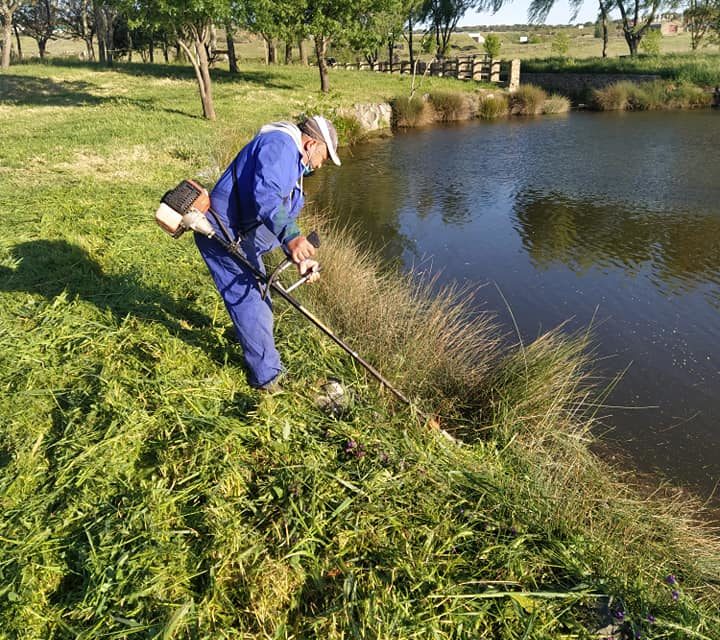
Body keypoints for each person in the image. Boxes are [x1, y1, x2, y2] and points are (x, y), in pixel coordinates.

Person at [194, 115, 341, 391]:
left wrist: (299, 256)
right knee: (250, 301)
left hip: (240, 236)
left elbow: (273, 214)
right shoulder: (280, 145)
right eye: (324, 157)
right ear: (311, 144)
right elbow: (266, 197)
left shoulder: (292, 162)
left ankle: (260, 354)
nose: (321, 166)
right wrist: (293, 237)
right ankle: (267, 379)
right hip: (222, 232)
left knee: (259, 298)